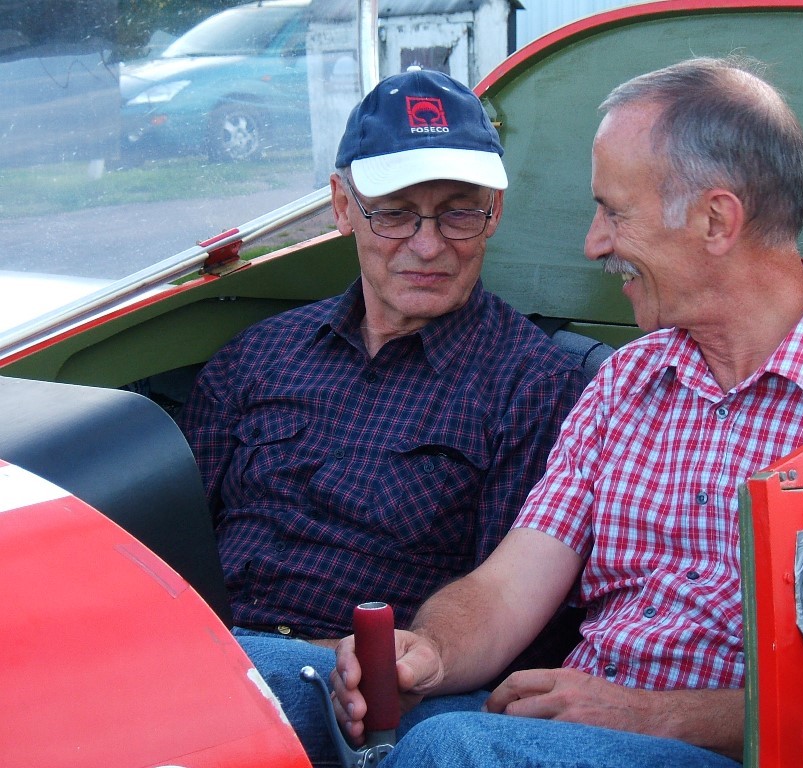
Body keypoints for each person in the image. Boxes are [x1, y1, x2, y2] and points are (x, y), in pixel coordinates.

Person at [330, 56, 803, 766]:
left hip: (743, 749)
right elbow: (505, 589)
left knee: (453, 748)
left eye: (613, 211)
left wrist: (662, 717)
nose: (593, 243)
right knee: (288, 689)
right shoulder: (628, 379)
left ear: (716, 220)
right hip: (576, 727)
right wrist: (426, 654)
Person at [177, 67, 588, 766]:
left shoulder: (533, 386)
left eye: (460, 212)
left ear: (494, 212)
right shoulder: (257, 357)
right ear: (343, 206)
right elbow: (175, 549)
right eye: (394, 212)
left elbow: (514, 619)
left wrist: (385, 665)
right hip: (216, 654)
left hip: (381, 696)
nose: (427, 246)